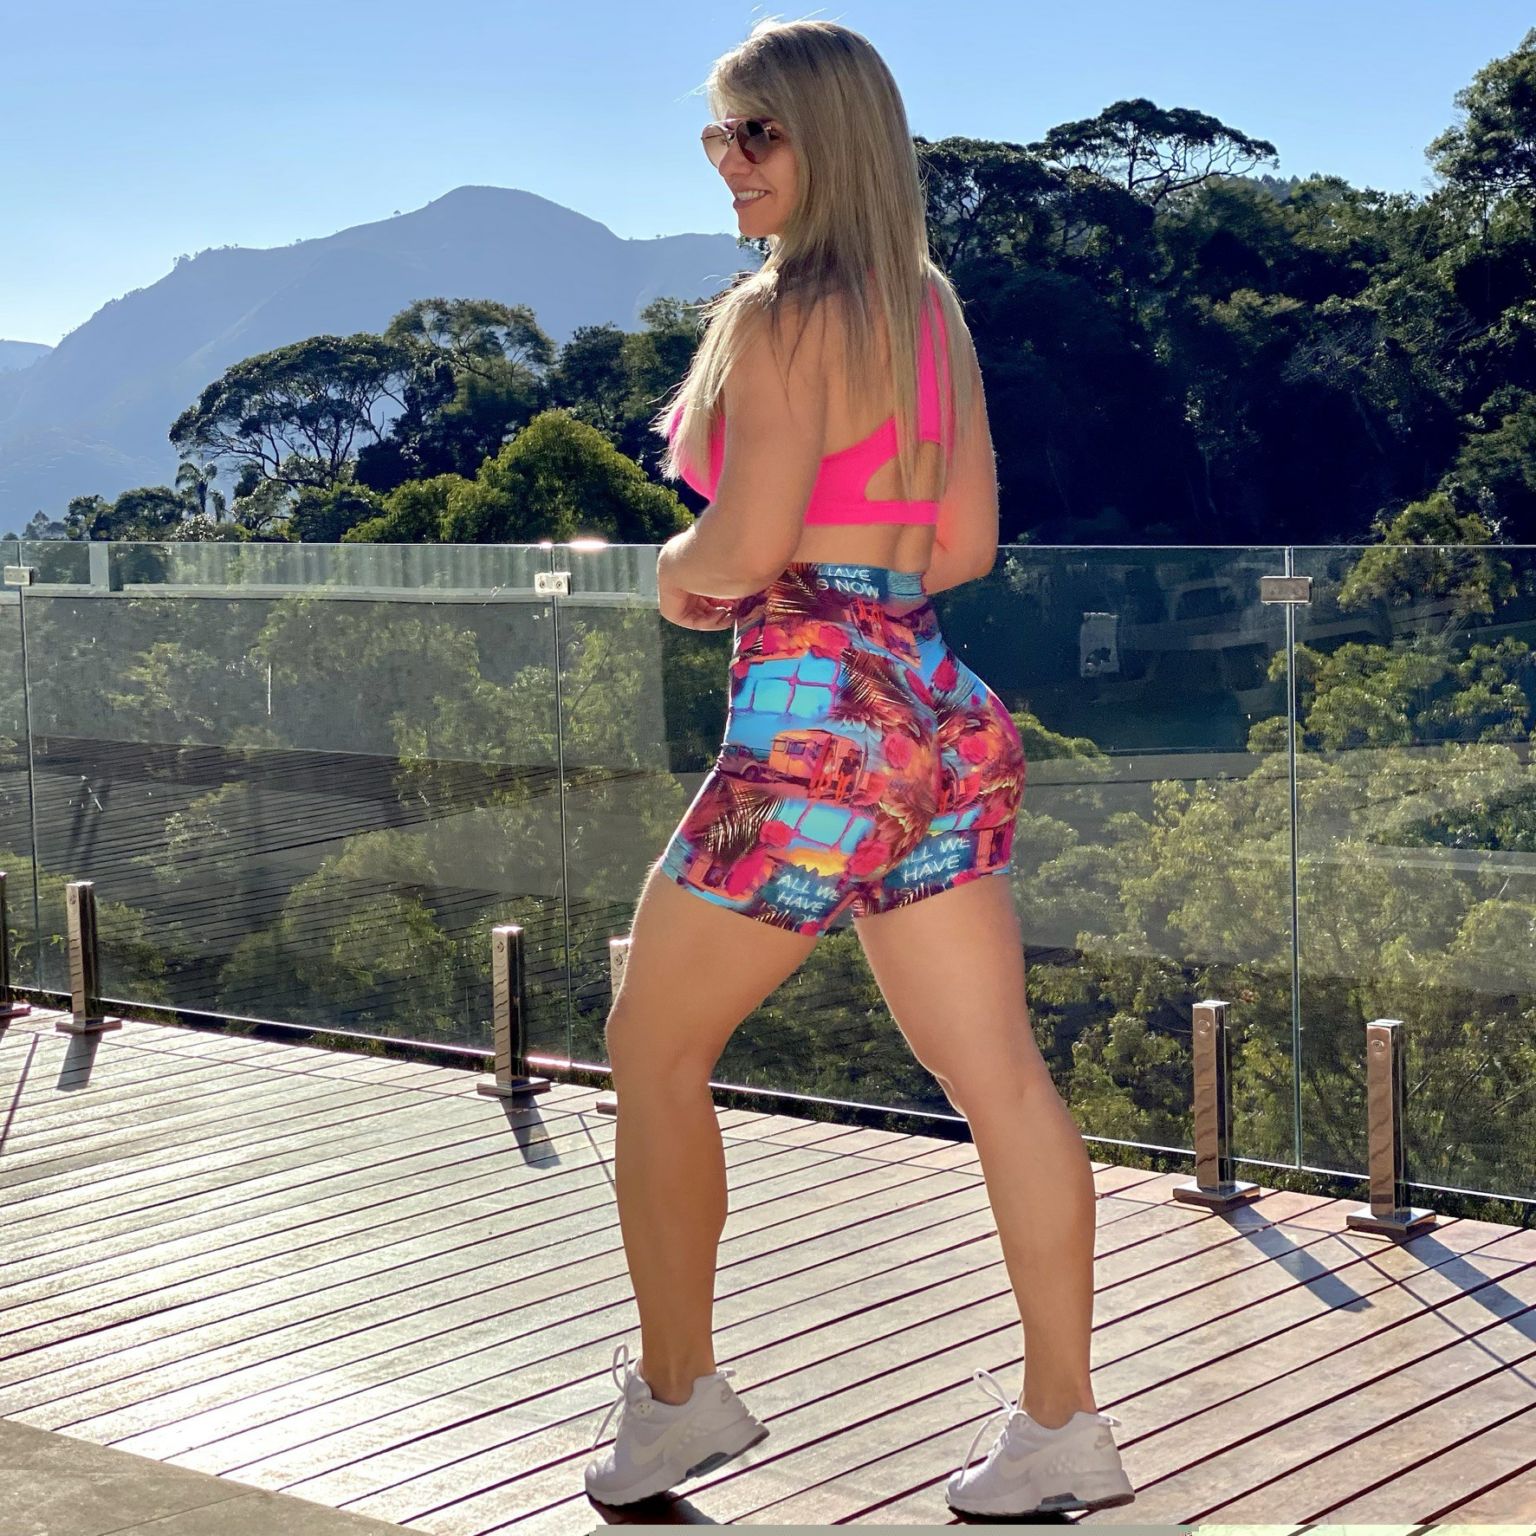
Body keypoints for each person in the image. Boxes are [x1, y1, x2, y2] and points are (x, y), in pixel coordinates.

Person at [584, 16, 1135, 1521]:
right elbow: (964, 545)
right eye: (718, 132)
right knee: (999, 1075)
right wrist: (814, 570)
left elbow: (747, 544)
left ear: (832, 140)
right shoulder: (926, 307)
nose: (729, 160)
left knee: (651, 1049)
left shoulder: (776, 314)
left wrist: (672, 575)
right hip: (936, 710)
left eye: (756, 131)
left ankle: (679, 1404)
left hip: (817, 720)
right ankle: (1062, 1429)